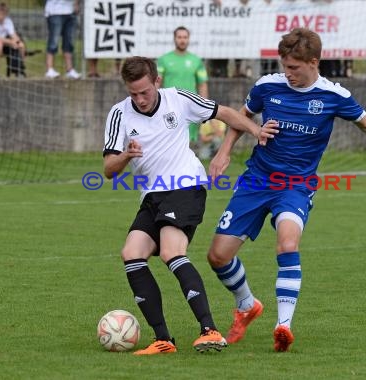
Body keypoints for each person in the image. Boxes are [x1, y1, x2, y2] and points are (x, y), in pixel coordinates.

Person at [205, 27, 366, 353]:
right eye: (284, 66)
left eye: (294, 67)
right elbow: (241, 116)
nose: (287, 73)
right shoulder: (267, 86)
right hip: (256, 180)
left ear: (313, 62)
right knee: (218, 256)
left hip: (296, 185)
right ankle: (247, 304)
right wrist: (223, 152)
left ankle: (284, 325)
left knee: (287, 242)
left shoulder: (334, 95)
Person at [102, 56, 277, 355]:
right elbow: (108, 169)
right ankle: (163, 340)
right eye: (133, 94)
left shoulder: (178, 99)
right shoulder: (119, 114)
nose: (140, 99)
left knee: (171, 252)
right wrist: (126, 156)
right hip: (152, 196)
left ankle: (209, 330)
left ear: (157, 81)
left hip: (186, 185)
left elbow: (224, 113)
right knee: (131, 254)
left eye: (144, 92)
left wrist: (254, 130)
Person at [157, 26, 208, 149]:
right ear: (174, 39)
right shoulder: (163, 60)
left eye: (185, 37)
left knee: (189, 143)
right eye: (179, 37)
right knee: (169, 142)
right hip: (169, 106)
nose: (182, 40)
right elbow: (156, 83)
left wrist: (204, 106)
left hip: (190, 106)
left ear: (188, 39)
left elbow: (202, 84)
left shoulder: (196, 61)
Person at [0, 2, 26, 78]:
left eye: (4, 14)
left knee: (21, 45)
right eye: (0, 13)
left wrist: (17, 41)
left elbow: (13, 34)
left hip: (5, 43)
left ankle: (20, 69)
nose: (2, 16)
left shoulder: (8, 21)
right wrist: (10, 42)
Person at [44, 0, 80, 79]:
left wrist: (76, 3)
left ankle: (69, 69)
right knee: (54, 41)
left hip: (70, 12)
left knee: (69, 42)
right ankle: (49, 69)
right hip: (54, 12)